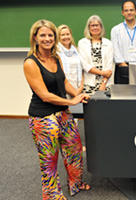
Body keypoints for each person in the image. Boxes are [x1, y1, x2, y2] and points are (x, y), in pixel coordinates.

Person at [23, 19, 91, 200]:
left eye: (50, 35)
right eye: (43, 35)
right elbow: (45, 95)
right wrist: (71, 101)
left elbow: (64, 82)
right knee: (49, 161)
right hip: (43, 118)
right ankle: (52, 196)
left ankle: (75, 184)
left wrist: (76, 93)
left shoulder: (56, 57)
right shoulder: (30, 63)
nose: (47, 38)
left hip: (63, 114)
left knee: (74, 150)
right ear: (35, 38)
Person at [57, 24, 86, 152]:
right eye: (62, 35)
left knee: (74, 119)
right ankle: (68, 145)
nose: (66, 37)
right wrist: (75, 93)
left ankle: (73, 144)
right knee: (65, 118)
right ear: (58, 37)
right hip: (64, 90)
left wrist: (80, 88)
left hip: (77, 88)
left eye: (67, 34)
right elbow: (61, 76)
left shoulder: (75, 50)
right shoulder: (56, 53)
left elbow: (82, 70)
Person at [111, 0, 136, 83]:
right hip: (121, 68)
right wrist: (126, 68)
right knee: (121, 95)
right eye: (126, 10)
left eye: (131, 10)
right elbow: (115, 52)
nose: (129, 12)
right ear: (122, 13)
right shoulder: (116, 30)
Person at [78, 15, 113, 96]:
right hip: (89, 84)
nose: (95, 28)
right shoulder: (82, 43)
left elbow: (109, 66)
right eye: (92, 25)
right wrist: (102, 72)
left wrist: (103, 83)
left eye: (97, 25)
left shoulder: (108, 43)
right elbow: (85, 65)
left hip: (106, 84)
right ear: (88, 28)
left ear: (101, 27)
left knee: (106, 108)